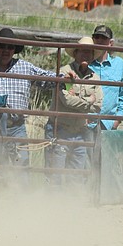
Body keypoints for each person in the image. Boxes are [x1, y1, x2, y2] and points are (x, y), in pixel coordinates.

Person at [0, 27, 56, 166]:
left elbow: (47, 78)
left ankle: (19, 186)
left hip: (16, 126)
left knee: (22, 166)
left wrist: (64, 78)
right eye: (2, 46)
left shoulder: (24, 67)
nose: (6, 50)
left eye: (10, 47)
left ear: (14, 50)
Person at [45, 36, 102, 174]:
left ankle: (73, 195)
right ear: (75, 53)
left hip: (80, 132)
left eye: (89, 52)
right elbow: (66, 100)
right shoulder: (64, 72)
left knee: (76, 175)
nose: (85, 54)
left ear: (93, 55)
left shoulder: (94, 77)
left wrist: (76, 97)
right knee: (55, 175)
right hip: (60, 129)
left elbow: (98, 105)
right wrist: (89, 100)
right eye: (82, 51)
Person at [89, 24, 123, 130]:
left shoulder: (119, 65)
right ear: (93, 40)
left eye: (104, 38)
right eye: (97, 37)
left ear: (110, 43)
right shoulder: (86, 63)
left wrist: (117, 120)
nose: (100, 40)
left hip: (108, 124)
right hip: (86, 122)